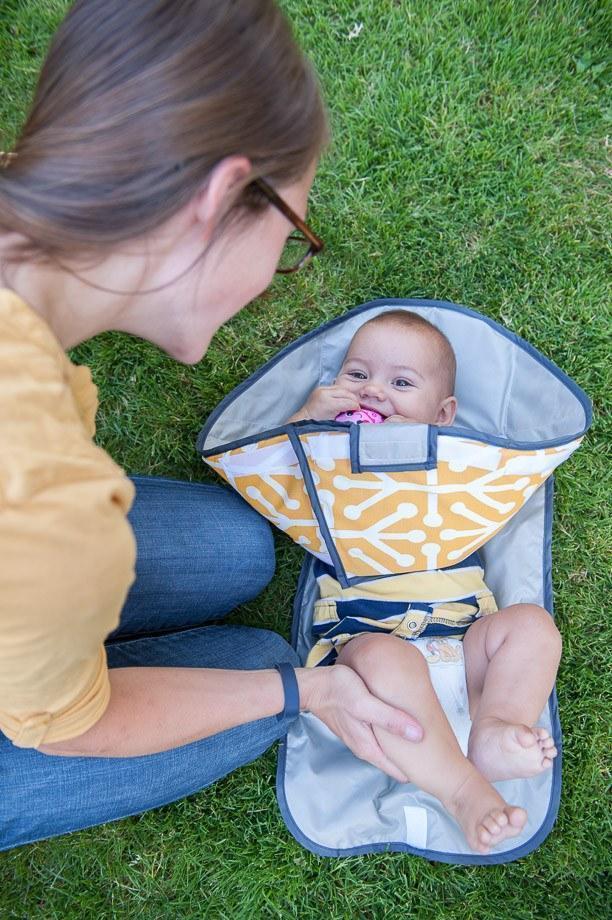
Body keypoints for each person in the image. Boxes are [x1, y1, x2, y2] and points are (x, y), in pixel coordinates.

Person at [0, 0, 425, 852]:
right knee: (259, 668)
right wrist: (311, 694)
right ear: (222, 195)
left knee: (234, 547)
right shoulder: (43, 504)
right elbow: (66, 727)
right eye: (291, 231)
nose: (275, 271)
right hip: (36, 647)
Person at [289, 310, 562, 853]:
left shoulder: (454, 466)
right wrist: (310, 423)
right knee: (385, 659)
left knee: (532, 627)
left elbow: (507, 486)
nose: (375, 393)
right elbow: (288, 491)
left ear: (444, 415)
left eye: (401, 383)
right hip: (375, 647)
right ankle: (463, 791)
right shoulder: (338, 464)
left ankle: (494, 727)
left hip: (467, 648)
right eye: (357, 376)